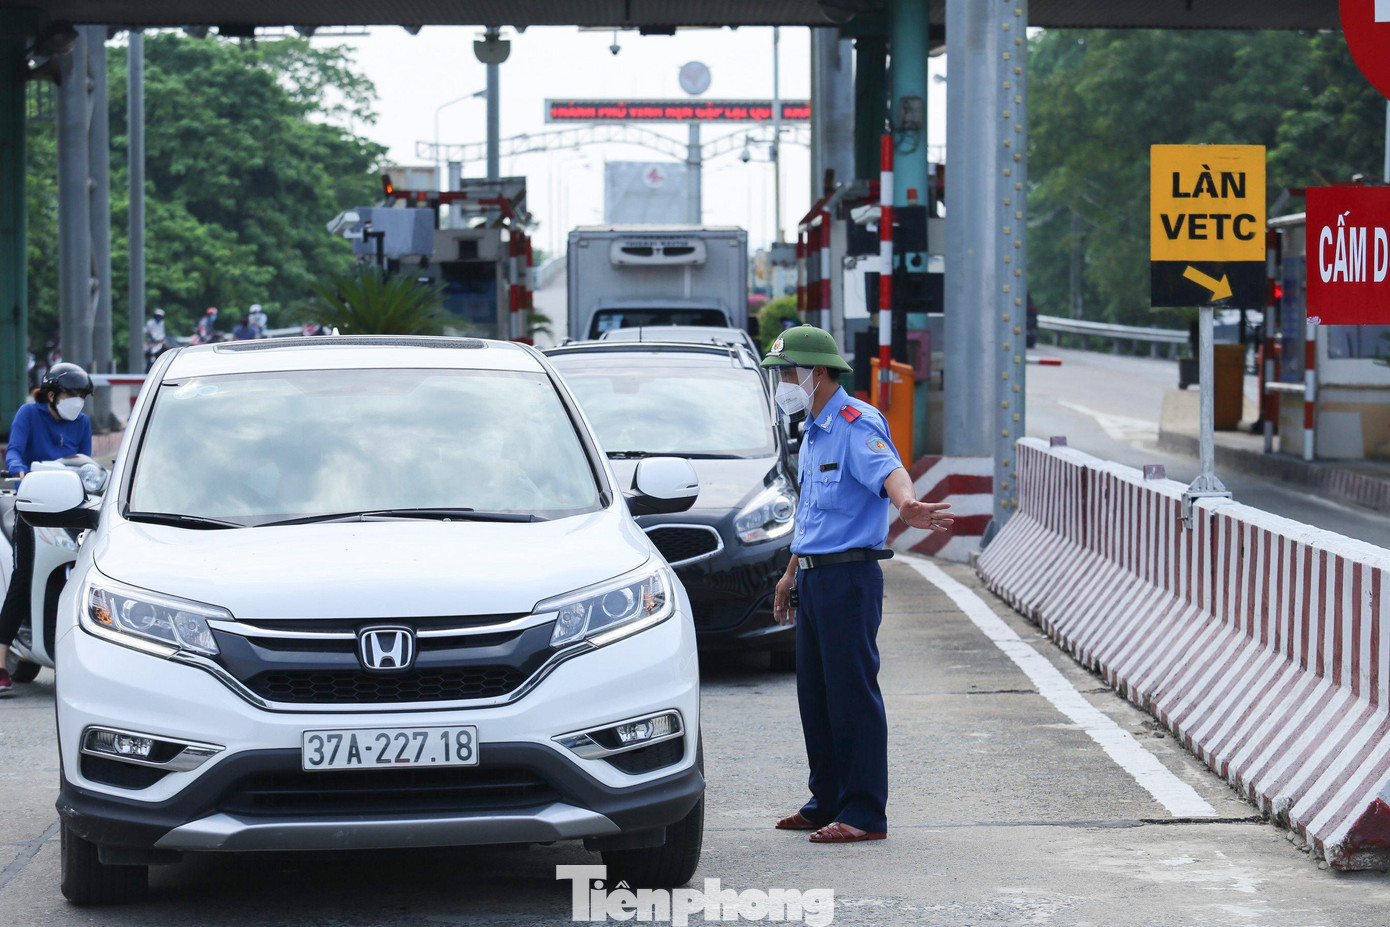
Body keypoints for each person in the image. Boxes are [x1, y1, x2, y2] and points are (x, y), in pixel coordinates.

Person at [760, 325, 953, 844]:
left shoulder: (854, 421)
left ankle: (864, 812)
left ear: (816, 373)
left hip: (849, 578)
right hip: (816, 577)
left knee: (851, 695)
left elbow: (889, 470)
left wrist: (907, 505)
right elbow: (812, 513)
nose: (782, 382)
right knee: (815, 697)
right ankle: (826, 799)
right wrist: (789, 571)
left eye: (786, 372)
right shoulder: (814, 430)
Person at [0, 363, 93, 696]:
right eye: (71, 394)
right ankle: (0, 662)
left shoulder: (82, 423)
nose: (77, 401)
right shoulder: (29, 414)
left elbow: (87, 463)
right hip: (35, 505)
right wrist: (20, 473)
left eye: (82, 396)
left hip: (72, 510)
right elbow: (15, 451)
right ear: (52, 395)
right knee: (23, 578)